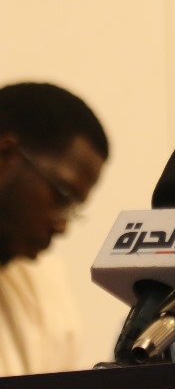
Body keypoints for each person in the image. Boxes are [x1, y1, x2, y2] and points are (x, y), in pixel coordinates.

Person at [0, 82, 109, 376]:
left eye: (73, 208)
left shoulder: (43, 286)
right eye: (61, 197)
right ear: (5, 154)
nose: (62, 226)